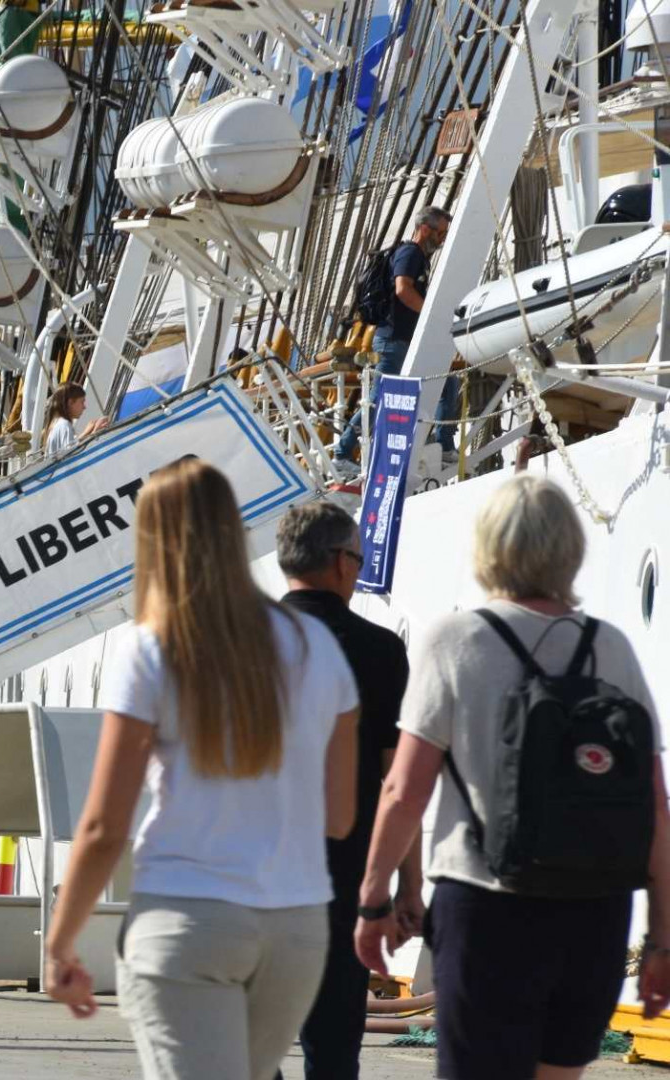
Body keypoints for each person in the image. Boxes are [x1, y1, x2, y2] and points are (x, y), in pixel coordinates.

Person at [42, 459, 360, 1080]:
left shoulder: (154, 646)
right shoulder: (317, 647)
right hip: (296, 926)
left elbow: (106, 825)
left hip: (188, 917)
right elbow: (341, 816)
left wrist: (59, 944)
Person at [355, 476, 670, 1079]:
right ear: (570, 548)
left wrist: (375, 902)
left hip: (486, 907)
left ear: (487, 546)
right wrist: (659, 938)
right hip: (594, 910)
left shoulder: (456, 640)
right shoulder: (613, 648)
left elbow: (403, 790)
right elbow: (655, 806)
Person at [273, 502, 422, 1080]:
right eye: (358, 560)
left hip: (251, 869)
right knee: (334, 1050)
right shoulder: (379, 650)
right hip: (342, 875)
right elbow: (396, 780)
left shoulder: (240, 639)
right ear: (339, 563)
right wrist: (407, 885)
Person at [337, 206, 459, 467]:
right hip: (395, 341)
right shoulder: (410, 253)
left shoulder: (417, 257)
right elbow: (403, 290)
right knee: (379, 396)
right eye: (441, 233)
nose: (443, 239)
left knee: (447, 385)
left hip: (408, 340)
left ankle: (444, 445)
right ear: (425, 228)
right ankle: (343, 452)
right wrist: (432, 314)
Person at [42, 382, 109, 457]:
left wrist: (86, 433)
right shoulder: (64, 425)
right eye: (82, 402)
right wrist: (94, 433)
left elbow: (68, 448)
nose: (84, 407)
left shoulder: (57, 424)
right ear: (70, 403)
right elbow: (72, 457)